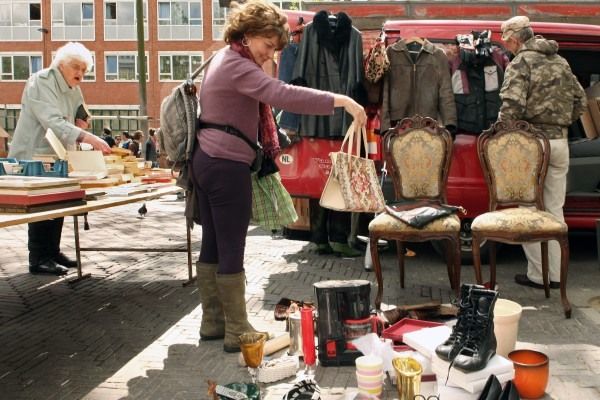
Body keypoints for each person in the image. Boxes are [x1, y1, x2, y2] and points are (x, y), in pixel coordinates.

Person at [192, 0, 366, 353]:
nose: (270, 54)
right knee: (231, 246)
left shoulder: (225, 58)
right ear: (248, 33)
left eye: (275, 48)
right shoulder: (237, 65)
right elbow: (282, 93)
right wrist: (341, 101)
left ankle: (213, 322)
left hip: (208, 159)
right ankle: (237, 330)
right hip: (226, 164)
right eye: (267, 45)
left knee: (212, 241)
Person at [498, 16, 587, 289]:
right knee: (554, 210)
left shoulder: (521, 63)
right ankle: (558, 276)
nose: (508, 47)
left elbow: (511, 104)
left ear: (515, 39)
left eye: (508, 42)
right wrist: (560, 123)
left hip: (532, 144)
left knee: (529, 209)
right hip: (560, 143)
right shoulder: (561, 62)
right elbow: (580, 101)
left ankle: (539, 275)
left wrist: (503, 135)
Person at [8, 42, 111, 276]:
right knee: (41, 203)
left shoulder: (73, 86)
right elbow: (52, 120)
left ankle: (52, 252)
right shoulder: (41, 81)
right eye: (77, 67)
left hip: (57, 153)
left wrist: (82, 121)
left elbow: (80, 110)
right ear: (61, 64)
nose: (81, 74)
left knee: (58, 201)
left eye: (85, 70)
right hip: (33, 153)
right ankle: (38, 257)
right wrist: (88, 137)